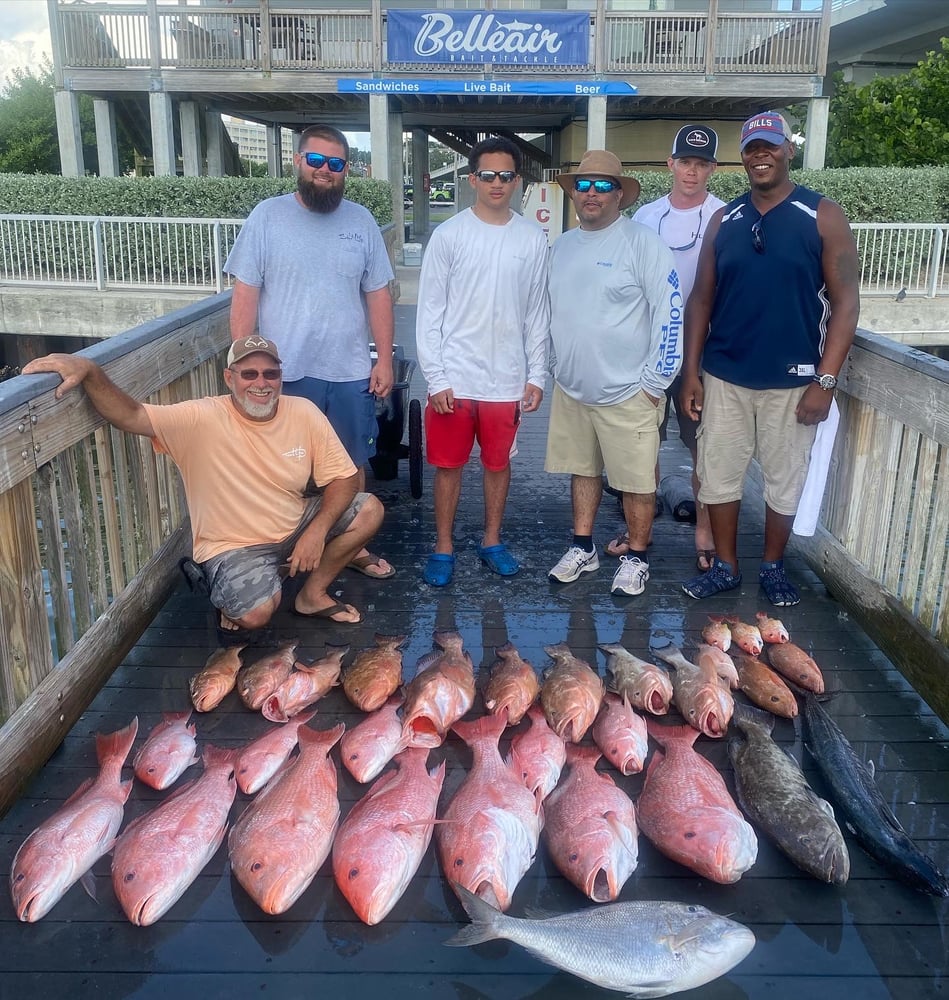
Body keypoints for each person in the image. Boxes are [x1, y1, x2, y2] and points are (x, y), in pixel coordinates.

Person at [22, 336, 384, 634]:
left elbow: (345, 476)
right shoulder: (200, 417)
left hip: (295, 525)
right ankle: (228, 591)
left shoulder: (302, 411)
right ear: (230, 378)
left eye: (270, 374)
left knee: (369, 510)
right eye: (250, 374)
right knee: (256, 615)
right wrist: (90, 371)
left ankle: (312, 595)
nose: (261, 383)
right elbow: (131, 415)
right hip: (233, 545)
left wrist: (317, 531)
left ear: (280, 378)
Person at [679, 111, 860, 606]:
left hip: (794, 381)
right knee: (718, 476)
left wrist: (825, 380)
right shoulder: (725, 218)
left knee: (785, 481)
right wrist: (691, 373)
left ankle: (775, 566)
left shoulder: (822, 214)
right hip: (724, 376)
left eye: (770, 146)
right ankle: (726, 565)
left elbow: (847, 302)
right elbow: (701, 299)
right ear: (743, 156)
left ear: (788, 150)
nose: (762, 154)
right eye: (752, 147)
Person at [225, 123, 396, 581]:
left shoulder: (361, 222)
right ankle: (283, 546)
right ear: (298, 162)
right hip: (285, 372)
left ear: (346, 170)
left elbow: (379, 294)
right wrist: (243, 362)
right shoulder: (267, 216)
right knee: (287, 467)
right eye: (316, 160)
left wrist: (382, 360)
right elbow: (246, 293)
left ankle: (351, 549)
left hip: (348, 371)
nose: (325, 171)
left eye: (336, 164)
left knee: (352, 465)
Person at [415, 135, 550, 587]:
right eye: (488, 175)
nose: (497, 183)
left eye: (506, 175)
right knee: (448, 465)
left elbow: (537, 312)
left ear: (517, 181)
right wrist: (435, 378)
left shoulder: (532, 238)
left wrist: (536, 374)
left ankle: (492, 539)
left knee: (498, 464)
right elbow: (429, 312)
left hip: (506, 380)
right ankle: (444, 543)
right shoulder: (449, 235)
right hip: (454, 375)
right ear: (472, 179)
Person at [545, 149, 678, 597]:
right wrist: (549, 368)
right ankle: (583, 548)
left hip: (629, 391)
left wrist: (654, 383)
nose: (592, 194)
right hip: (573, 389)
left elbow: (669, 314)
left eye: (604, 186)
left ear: (620, 194)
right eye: (583, 185)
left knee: (637, 481)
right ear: (573, 193)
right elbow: (549, 312)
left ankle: (637, 555)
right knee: (582, 471)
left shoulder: (643, 243)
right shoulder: (560, 246)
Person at [602, 124, 724, 574]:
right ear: (671, 164)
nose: (692, 171)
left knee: (705, 446)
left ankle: (706, 533)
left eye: (702, 163)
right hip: (648, 351)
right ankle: (642, 529)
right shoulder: (646, 217)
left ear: (712, 168)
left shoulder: (724, 216)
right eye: (685, 162)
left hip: (705, 354)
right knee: (642, 446)